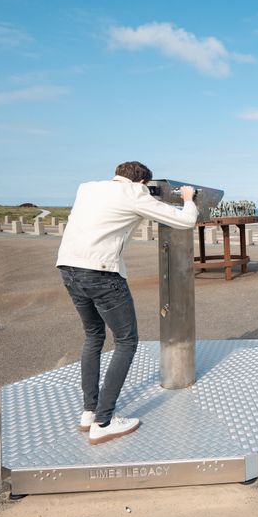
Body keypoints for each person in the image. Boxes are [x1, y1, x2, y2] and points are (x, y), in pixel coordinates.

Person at [56, 161, 198, 445]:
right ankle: (103, 422)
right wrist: (188, 199)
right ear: (142, 183)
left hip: (68, 268)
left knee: (93, 336)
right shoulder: (135, 194)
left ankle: (88, 412)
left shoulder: (88, 188)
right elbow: (185, 221)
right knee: (126, 341)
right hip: (101, 272)